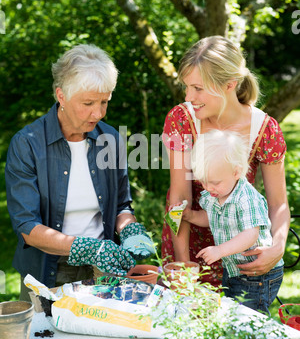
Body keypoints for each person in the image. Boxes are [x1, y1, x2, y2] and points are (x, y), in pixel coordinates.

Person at [5, 44, 155, 301]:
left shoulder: (110, 139)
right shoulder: (27, 143)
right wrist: (85, 248)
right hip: (47, 274)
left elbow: (121, 205)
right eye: (88, 103)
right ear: (61, 95)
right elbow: (27, 227)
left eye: (104, 102)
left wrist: (130, 229)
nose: (98, 113)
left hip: (103, 271)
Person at [162, 35, 289, 287]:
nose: (189, 96)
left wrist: (277, 247)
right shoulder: (180, 120)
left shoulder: (265, 129)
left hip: (240, 253)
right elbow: (178, 198)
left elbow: (278, 203)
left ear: (230, 84)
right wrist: (182, 266)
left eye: (198, 88)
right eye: (187, 86)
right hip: (188, 248)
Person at [181, 129, 284, 313]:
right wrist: (191, 216)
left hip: (258, 273)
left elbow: (250, 235)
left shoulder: (246, 198)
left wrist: (220, 250)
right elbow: (210, 217)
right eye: (203, 182)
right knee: (232, 315)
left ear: (236, 172)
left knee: (250, 319)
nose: (208, 188)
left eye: (214, 182)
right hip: (235, 270)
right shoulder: (214, 194)